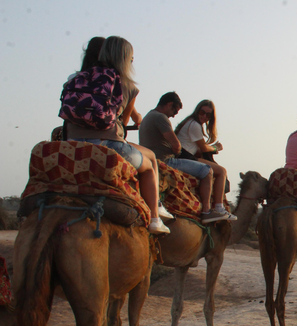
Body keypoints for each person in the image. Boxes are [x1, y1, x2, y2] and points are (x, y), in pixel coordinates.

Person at [65, 36, 170, 234]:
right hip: (108, 144)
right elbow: (121, 124)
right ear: (125, 58)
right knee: (151, 163)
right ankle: (155, 217)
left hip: (73, 143)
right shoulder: (128, 85)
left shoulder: (76, 78)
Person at [139, 92, 234, 223]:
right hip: (167, 160)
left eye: (208, 115)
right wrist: (216, 148)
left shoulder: (148, 116)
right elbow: (177, 145)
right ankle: (207, 211)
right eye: (175, 111)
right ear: (169, 105)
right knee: (208, 171)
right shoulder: (161, 118)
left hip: (153, 159)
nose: (174, 115)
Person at [174, 100, 235, 222]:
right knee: (221, 171)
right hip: (184, 157)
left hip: (186, 156)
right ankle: (218, 208)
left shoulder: (191, 123)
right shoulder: (194, 125)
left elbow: (199, 148)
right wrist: (215, 148)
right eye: (202, 112)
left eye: (208, 115)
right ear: (197, 111)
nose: (204, 116)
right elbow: (203, 147)